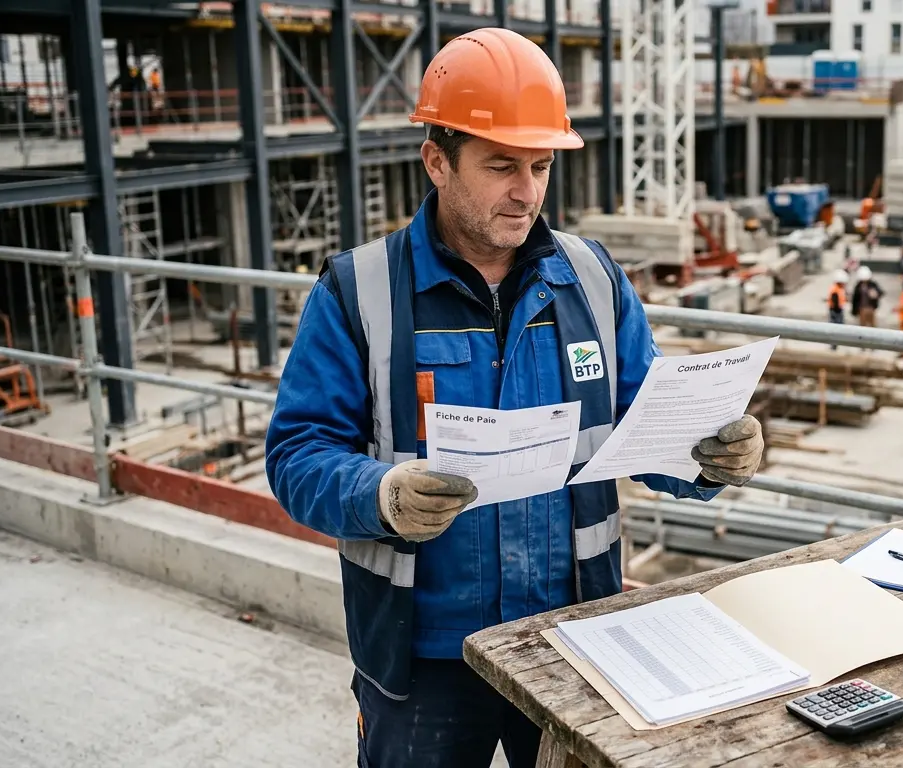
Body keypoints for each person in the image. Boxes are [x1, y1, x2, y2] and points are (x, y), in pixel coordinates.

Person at [263, 28, 766, 768]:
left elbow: (643, 426)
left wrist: (710, 457)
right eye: (501, 166)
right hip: (423, 660)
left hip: (576, 638)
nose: (526, 190)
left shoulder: (592, 279)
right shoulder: (359, 292)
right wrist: (381, 494)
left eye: (539, 166)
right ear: (437, 160)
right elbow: (297, 454)